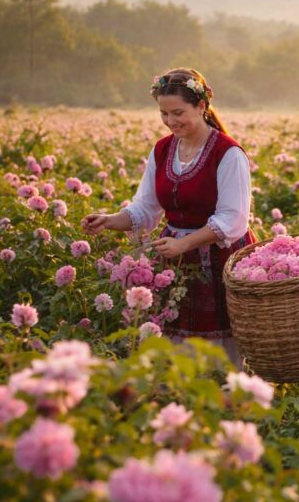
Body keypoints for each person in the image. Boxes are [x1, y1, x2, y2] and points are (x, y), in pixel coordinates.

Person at [82, 68, 255, 365]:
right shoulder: (163, 150)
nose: (170, 121)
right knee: (174, 347)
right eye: (163, 114)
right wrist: (109, 219)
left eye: (178, 112)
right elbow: (145, 208)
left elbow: (233, 218)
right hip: (173, 259)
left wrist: (186, 244)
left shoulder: (227, 153)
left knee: (220, 351)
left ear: (201, 106)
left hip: (219, 259)